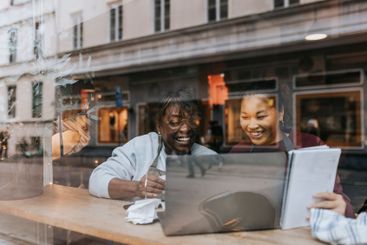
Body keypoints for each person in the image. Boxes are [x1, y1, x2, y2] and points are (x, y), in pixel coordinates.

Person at [231, 93, 354, 218]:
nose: (252, 125)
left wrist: (343, 209)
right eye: (245, 117)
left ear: (280, 113)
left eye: (261, 117)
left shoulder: (309, 145)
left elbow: (336, 197)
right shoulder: (239, 151)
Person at [89, 90, 216, 200]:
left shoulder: (210, 158)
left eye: (192, 121)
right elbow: (97, 180)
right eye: (174, 122)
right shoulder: (140, 147)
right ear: (159, 126)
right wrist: (137, 187)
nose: (185, 128)